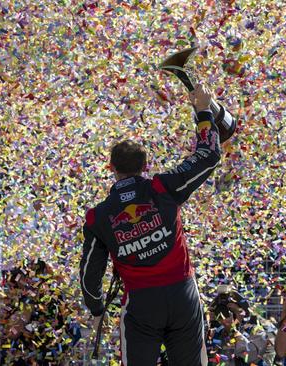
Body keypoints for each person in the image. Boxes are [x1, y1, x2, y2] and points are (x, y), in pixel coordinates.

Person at [80, 83, 223, 365]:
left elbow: (90, 272)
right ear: (145, 165)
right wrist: (204, 111)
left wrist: (96, 305)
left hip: (141, 304)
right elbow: (208, 155)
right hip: (182, 294)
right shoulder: (162, 187)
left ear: (111, 168)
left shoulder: (98, 216)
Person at [206, 285, 268, 365]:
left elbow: (251, 356)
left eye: (231, 310)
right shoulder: (214, 334)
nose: (225, 315)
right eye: (222, 312)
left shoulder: (256, 331)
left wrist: (232, 330)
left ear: (243, 312)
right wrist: (207, 322)